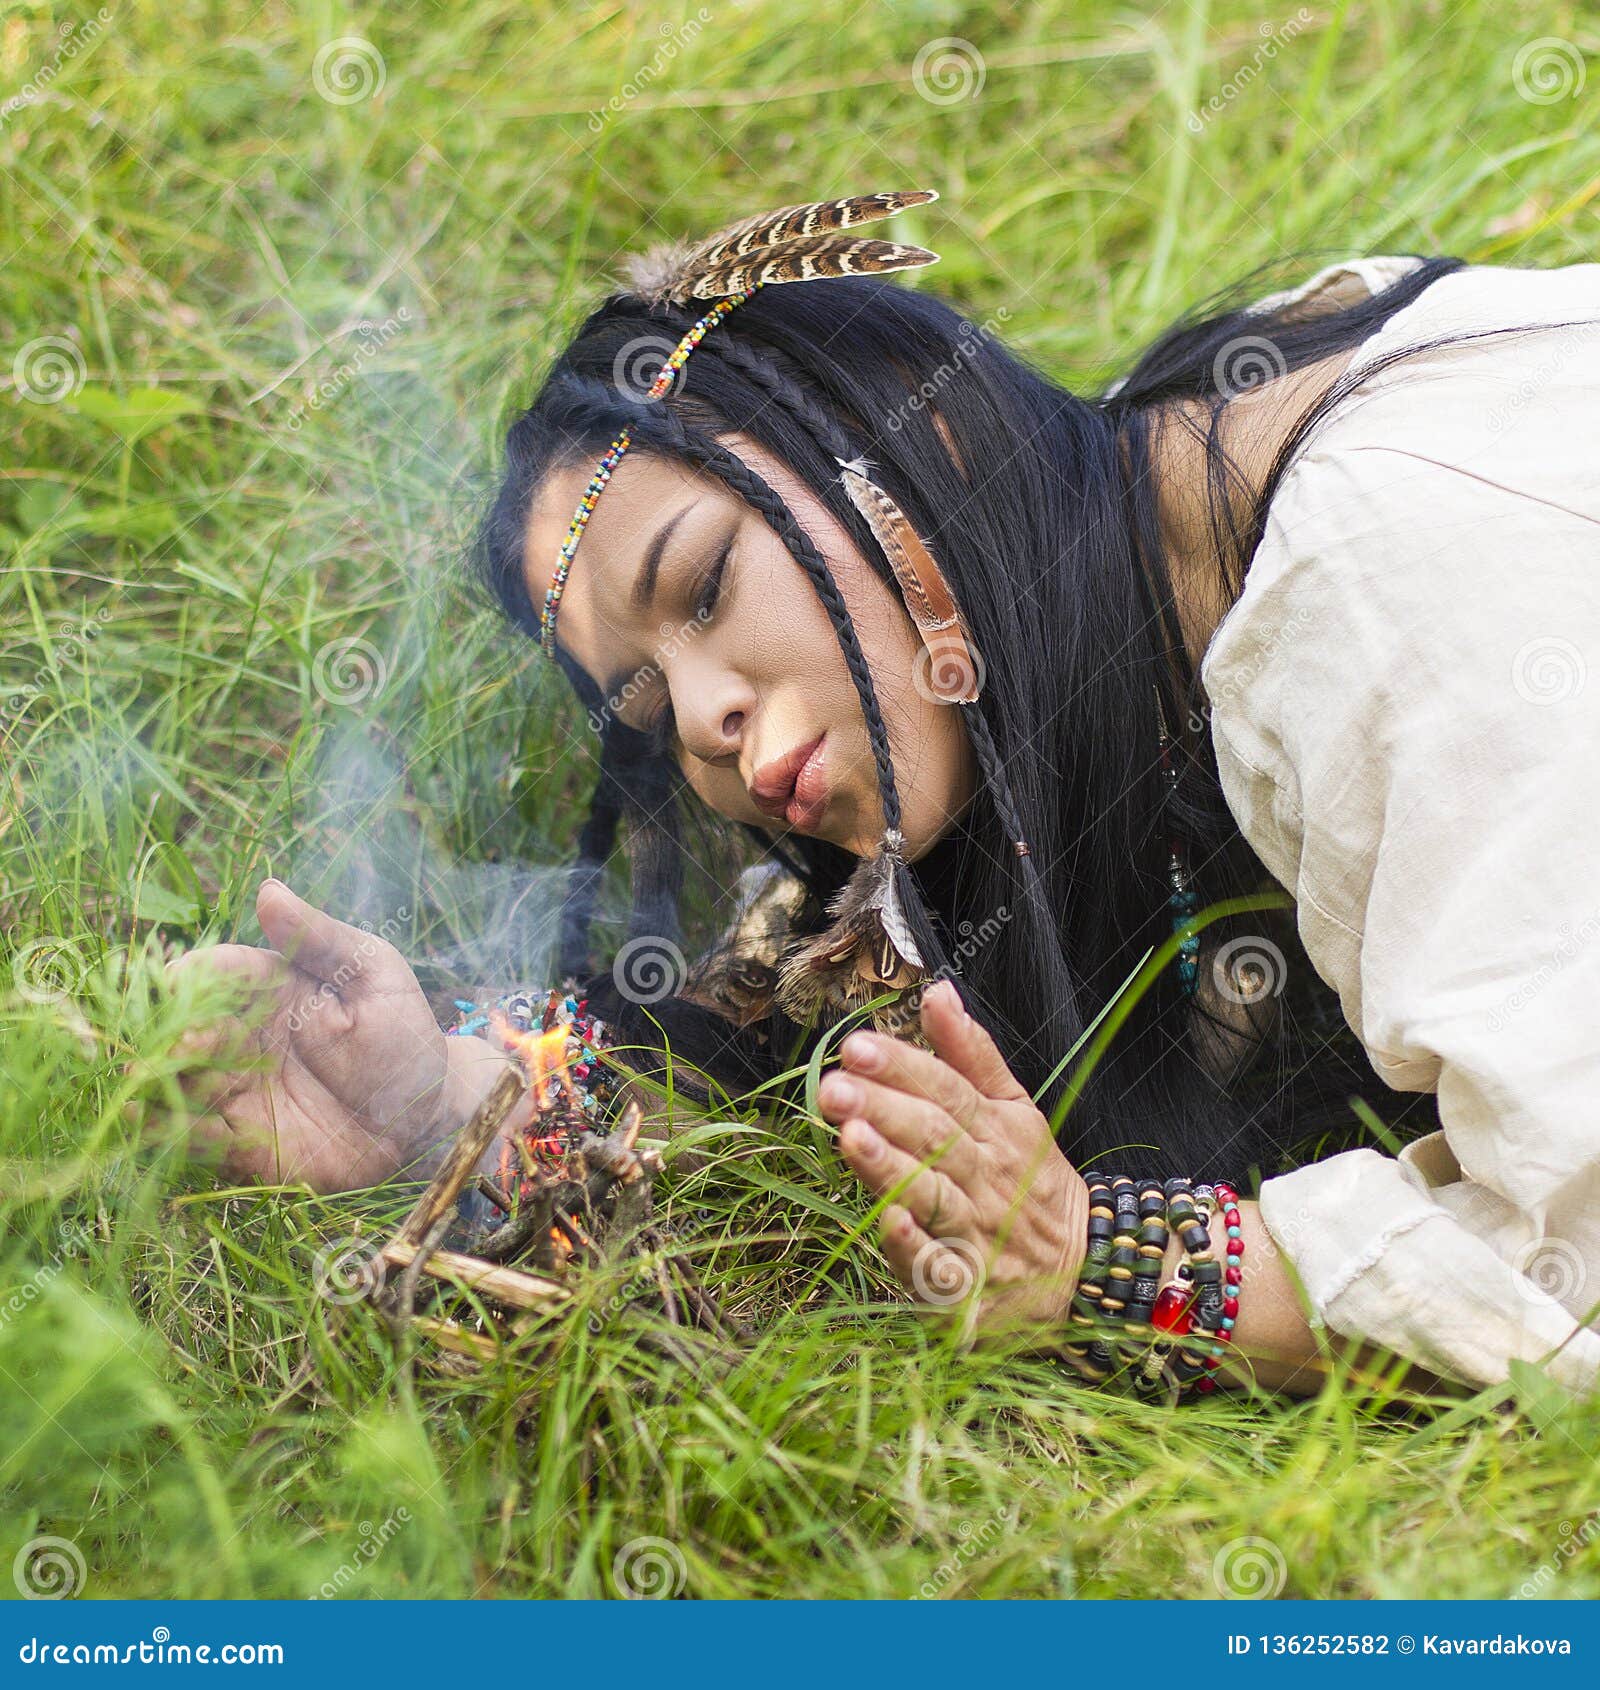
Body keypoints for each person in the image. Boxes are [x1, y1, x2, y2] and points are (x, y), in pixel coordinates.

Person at [171, 191, 1600, 1401]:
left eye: (707, 583)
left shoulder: (1372, 574)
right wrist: (439, 1107)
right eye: (650, 708)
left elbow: (1572, 1266)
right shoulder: (1083, 559)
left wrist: (1100, 1258)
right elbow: (783, 1054)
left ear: (910, 443)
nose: (711, 720)